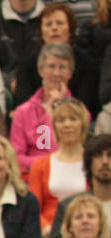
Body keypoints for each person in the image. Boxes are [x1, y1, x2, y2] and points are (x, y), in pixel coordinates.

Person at [9, 42, 77, 173]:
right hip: (31, 176)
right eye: (51, 66)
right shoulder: (23, 111)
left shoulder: (80, 113)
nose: (56, 73)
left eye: (62, 68)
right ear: (41, 70)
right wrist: (48, 163)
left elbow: (60, 152)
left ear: (70, 73)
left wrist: (51, 114)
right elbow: (15, 157)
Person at [28, 97, 91, 233]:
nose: (67, 125)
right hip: (51, 232)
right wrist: (45, 227)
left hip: (87, 229)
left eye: (73, 119)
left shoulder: (93, 163)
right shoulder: (40, 166)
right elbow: (33, 207)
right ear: (54, 126)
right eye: (61, 120)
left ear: (83, 124)